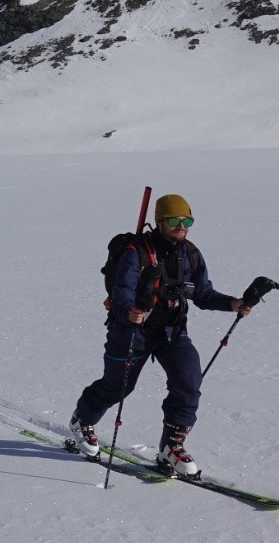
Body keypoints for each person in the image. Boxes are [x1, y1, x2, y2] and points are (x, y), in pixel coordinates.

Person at [68, 194, 253, 478]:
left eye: (187, 220)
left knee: (188, 380)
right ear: (160, 222)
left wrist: (233, 304)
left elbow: (202, 293)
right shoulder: (136, 253)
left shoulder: (190, 253)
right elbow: (121, 293)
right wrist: (129, 311)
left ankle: (171, 446)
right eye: (175, 220)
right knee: (118, 387)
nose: (182, 226)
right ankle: (83, 419)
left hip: (171, 330)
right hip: (132, 331)